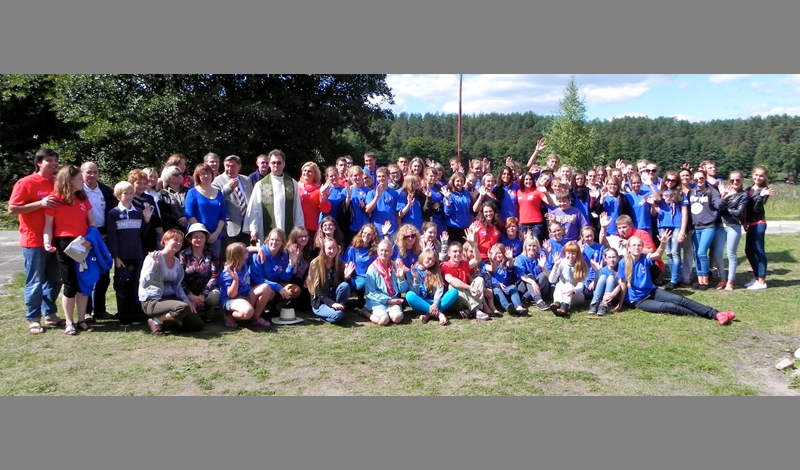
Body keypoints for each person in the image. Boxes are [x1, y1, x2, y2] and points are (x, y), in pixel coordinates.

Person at [618, 235, 735, 325]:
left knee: (680, 299)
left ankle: (716, 313)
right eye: (633, 245)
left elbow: (658, 254)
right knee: (670, 306)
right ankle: (713, 316)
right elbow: (623, 284)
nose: (636, 248)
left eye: (639, 245)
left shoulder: (645, 258)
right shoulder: (623, 262)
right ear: (628, 247)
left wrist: (663, 243)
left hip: (652, 291)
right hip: (639, 300)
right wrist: (620, 303)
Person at [9, 148, 64, 334]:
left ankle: (50, 314)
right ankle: (33, 318)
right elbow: (13, 208)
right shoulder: (26, 183)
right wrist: (40, 204)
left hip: (55, 240)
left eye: (56, 160)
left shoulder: (57, 183)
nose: (54, 163)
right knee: (35, 281)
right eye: (49, 160)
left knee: (55, 280)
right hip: (33, 241)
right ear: (39, 162)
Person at [43, 166, 98, 335]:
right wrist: (46, 242)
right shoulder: (55, 199)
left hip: (82, 244)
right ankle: (69, 322)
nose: (83, 182)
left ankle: (82, 320)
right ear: (69, 180)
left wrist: (90, 240)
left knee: (84, 283)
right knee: (69, 284)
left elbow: (92, 224)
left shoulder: (83, 198)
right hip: (64, 244)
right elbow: (48, 226)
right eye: (79, 179)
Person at [138, 229, 205, 335]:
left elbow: (178, 286)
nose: (179, 243)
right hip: (153, 301)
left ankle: (163, 320)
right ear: (165, 241)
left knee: (197, 324)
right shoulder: (153, 257)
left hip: (171, 299)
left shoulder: (177, 262)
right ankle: (156, 321)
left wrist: (186, 300)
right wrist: (154, 267)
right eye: (175, 239)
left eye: (181, 240)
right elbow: (144, 283)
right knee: (182, 308)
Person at [107, 181, 153, 327]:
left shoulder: (138, 213)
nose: (129, 196)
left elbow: (143, 234)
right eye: (125, 193)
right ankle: (123, 315)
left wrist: (146, 220)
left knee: (136, 285)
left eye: (131, 193)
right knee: (121, 286)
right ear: (118, 195)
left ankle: (135, 314)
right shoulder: (113, 213)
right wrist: (116, 256)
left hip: (137, 255)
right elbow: (112, 237)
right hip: (122, 257)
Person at [80, 161, 118, 321]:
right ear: (82, 173)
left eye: (95, 172)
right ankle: (86, 311)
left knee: (104, 273)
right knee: (87, 273)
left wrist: (107, 234)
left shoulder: (107, 191)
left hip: (104, 235)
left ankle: (100, 309)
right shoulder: (77, 191)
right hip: (84, 236)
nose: (92, 175)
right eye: (88, 172)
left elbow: (112, 214)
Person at [245, 149, 305, 244]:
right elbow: (254, 208)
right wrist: (253, 228)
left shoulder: (292, 183)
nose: (276, 166)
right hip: (266, 230)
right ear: (269, 164)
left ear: (284, 164)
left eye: (279, 163)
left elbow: (297, 208)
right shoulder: (261, 184)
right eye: (273, 163)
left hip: (287, 229)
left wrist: (299, 229)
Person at [219, 242, 271, 329]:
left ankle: (255, 318)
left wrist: (259, 249)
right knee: (248, 312)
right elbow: (231, 295)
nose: (247, 252)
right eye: (244, 252)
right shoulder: (228, 273)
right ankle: (229, 316)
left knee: (266, 288)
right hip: (232, 300)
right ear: (238, 256)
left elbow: (249, 249)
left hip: (245, 294)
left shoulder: (243, 262)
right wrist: (235, 280)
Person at [212, 155, 254, 260]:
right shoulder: (217, 181)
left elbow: (252, 200)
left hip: (246, 225)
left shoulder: (246, 180)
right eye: (227, 166)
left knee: (243, 256)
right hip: (229, 227)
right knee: (230, 257)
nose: (229, 169)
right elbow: (215, 200)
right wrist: (227, 188)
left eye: (233, 166)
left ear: (239, 167)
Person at [307, 237, 356, 324]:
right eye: (329, 248)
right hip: (321, 302)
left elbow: (346, 288)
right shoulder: (316, 263)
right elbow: (316, 289)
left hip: (334, 297)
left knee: (345, 285)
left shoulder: (340, 264)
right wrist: (332, 304)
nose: (332, 251)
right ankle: (323, 314)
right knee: (338, 315)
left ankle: (338, 308)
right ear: (323, 249)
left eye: (334, 248)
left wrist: (347, 277)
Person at [178, 223, 221, 322]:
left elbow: (214, 276)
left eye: (202, 237)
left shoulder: (213, 254)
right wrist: (189, 295)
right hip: (189, 291)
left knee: (214, 296)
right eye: (195, 237)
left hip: (207, 289)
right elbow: (180, 277)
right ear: (190, 239)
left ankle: (208, 314)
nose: (199, 239)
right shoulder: (183, 255)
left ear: (206, 238)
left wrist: (203, 294)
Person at [688, 170, 723, 290]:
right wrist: (689, 227)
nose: (699, 181)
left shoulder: (711, 191)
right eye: (696, 179)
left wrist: (724, 197)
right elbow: (687, 211)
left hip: (708, 226)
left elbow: (718, 205)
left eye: (701, 178)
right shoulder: (691, 192)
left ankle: (705, 280)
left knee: (701, 253)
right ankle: (699, 279)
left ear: (705, 178)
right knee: (696, 254)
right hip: (695, 227)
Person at [361, 239, 409, 326]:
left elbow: (403, 290)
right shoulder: (372, 269)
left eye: (387, 251)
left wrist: (401, 278)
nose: (384, 253)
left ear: (391, 253)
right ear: (378, 252)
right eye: (381, 250)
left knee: (397, 318)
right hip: (377, 301)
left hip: (393, 298)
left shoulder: (395, 266)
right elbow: (370, 293)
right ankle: (365, 313)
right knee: (384, 320)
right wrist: (387, 301)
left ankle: (390, 313)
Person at [406, 249, 459, 325]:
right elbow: (414, 293)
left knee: (454, 292)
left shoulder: (435, 271)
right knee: (409, 295)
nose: (431, 262)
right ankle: (439, 314)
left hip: (434, 302)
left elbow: (439, 288)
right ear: (423, 257)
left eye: (433, 261)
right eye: (429, 259)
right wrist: (416, 279)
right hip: (420, 303)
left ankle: (428, 314)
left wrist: (435, 303)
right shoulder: (411, 272)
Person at [743, 165, 775, 290]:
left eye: (761, 176)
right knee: (748, 251)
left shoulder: (764, 190)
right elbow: (745, 206)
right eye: (756, 175)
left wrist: (761, 196)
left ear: (765, 177)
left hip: (758, 223)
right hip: (749, 224)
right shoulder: (749, 188)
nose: (758, 177)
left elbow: (756, 208)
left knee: (758, 251)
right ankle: (757, 277)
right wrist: (744, 221)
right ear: (752, 175)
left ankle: (762, 280)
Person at [656, 171, 689, 290]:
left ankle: (675, 279)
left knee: (675, 252)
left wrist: (682, 231)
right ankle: (673, 277)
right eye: (668, 180)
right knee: (668, 253)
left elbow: (685, 213)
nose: (670, 182)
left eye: (673, 180)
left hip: (676, 225)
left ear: (677, 182)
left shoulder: (680, 193)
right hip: (663, 225)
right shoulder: (660, 193)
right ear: (664, 180)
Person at [184, 164, 226, 256]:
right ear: (197, 176)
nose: (206, 176)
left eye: (208, 173)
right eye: (202, 174)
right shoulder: (192, 192)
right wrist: (203, 234)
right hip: (197, 236)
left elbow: (223, 215)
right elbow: (189, 214)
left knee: (215, 264)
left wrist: (216, 233)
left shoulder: (219, 193)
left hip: (215, 236)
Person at [717, 171, 749, 291]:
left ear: (741, 181)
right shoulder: (725, 192)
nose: (735, 183)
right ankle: (722, 279)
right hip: (721, 226)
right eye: (732, 181)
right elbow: (718, 208)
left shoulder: (744, 195)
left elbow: (739, 213)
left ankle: (730, 281)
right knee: (717, 254)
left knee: (731, 254)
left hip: (733, 226)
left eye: (737, 180)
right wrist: (723, 197)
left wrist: (725, 207)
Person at [441, 242, 490, 321]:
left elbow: (477, 259)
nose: (458, 253)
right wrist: (470, 287)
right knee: (452, 286)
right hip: (455, 301)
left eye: (460, 251)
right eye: (455, 251)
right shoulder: (445, 265)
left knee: (479, 280)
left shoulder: (464, 264)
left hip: (467, 298)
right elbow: (451, 280)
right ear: (449, 254)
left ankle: (470, 310)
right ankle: (476, 310)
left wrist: (473, 244)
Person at [548, 241, 589, 316]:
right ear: (565, 253)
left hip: (576, 295)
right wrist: (556, 266)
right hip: (562, 293)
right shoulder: (561, 263)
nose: (571, 256)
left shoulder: (581, 265)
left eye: (573, 253)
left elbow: (581, 286)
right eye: (568, 253)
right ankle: (557, 303)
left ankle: (564, 306)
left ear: (577, 254)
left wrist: (573, 290)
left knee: (568, 285)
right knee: (559, 284)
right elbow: (551, 280)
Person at [485, 243, 527, 316]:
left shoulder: (505, 264)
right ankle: (508, 307)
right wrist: (498, 285)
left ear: (504, 254)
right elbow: (489, 278)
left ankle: (519, 307)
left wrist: (510, 258)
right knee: (495, 287)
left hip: (506, 289)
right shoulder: (488, 265)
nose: (498, 255)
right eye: (496, 253)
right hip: (496, 292)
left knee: (513, 287)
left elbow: (510, 265)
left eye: (500, 253)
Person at [129, 169, 164, 253]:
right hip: (136, 235)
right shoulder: (130, 199)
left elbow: (156, 219)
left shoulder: (149, 198)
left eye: (144, 183)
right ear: (132, 183)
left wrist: (160, 237)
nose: (142, 186)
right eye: (139, 183)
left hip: (150, 234)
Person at [345, 224, 380, 308]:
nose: (366, 235)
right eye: (364, 233)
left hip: (366, 277)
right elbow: (346, 263)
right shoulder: (352, 248)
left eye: (369, 234)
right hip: (352, 276)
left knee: (360, 285)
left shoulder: (375, 251)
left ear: (373, 236)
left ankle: (362, 298)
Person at [514, 236, 551, 311]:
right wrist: (533, 282)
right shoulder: (520, 258)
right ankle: (539, 300)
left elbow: (550, 277)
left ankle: (525, 297)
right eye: (529, 245)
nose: (532, 248)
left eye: (534, 246)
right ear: (525, 247)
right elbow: (521, 275)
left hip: (541, 287)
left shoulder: (540, 256)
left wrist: (543, 266)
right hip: (524, 286)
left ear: (537, 247)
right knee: (529, 276)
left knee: (544, 274)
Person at [298, 161, 332, 241]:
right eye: (305, 170)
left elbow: (325, 209)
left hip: (311, 227)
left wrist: (324, 197)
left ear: (315, 174)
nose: (306, 173)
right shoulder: (295, 186)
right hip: (297, 225)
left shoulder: (319, 190)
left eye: (310, 171)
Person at [365, 167, 400, 237]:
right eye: (379, 176)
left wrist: (399, 227)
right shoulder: (371, 193)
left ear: (388, 177)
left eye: (383, 176)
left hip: (392, 229)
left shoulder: (395, 193)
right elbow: (367, 210)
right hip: (377, 230)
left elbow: (397, 213)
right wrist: (377, 196)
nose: (381, 178)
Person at [587, 248, 623, 316]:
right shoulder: (603, 270)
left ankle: (604, 305)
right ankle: (594, 304)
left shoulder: (620, 269)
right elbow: (598, 285)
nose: (612, 260)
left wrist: (612, 294)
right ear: (605, 259)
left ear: (618, 258)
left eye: (614, 257)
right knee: (603, 276)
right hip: (602, 295)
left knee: (611, 278)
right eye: (609, 257)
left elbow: (620, 285)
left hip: (613, 296)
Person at [517, 172, 551, 243]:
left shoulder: (537, 191)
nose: (528, 181)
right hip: (522, 223)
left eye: (530, 179)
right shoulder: (519, 192)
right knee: (525, 245)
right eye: (526, 179)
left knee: (534, 245)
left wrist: (546, 193)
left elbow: (549, 203)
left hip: (536, 223)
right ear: (523, 180)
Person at [441, 172, 472, 242]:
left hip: (466, 227)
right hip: (454, 227)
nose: (460, 183)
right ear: (453, 181)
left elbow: (470, 209)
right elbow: (448, 213)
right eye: (457, 181)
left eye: (462, 181)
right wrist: (447, 199)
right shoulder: (449, 194)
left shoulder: (467, 193)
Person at [157, 165, 189, 233]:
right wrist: (178, 220)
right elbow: (162, 213)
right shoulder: (161, 194)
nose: (180, 176)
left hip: (190, 227)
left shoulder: (190, 191)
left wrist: (187, 218)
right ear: (168, 178)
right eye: (175, 175)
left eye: (180, 174)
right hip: (171, 229)